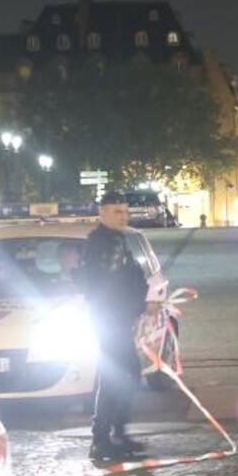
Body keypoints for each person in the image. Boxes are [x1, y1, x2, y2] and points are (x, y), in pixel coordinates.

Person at [81, 190, 156, 460]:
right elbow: (111, 287)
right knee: (118, 376)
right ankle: (104, 438)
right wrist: (142, 305)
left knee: (124, 375)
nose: (123, 216)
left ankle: (115, 434)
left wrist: (143, 298)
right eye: (117, 211)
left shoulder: (114, 240)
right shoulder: (106, 243)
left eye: (125, 211)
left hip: (113, 318)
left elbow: (128, 279)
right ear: (102, 213)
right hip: (109, 318)